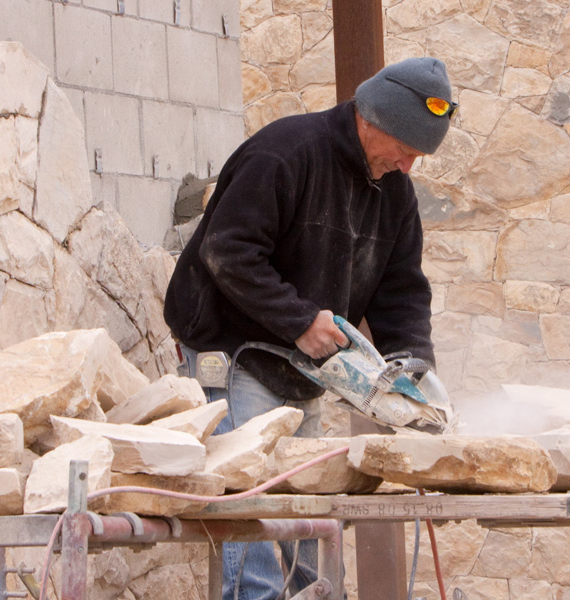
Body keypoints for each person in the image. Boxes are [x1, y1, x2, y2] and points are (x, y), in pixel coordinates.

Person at [164, 56, 454, 600]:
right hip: (236, 353)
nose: (409, 166)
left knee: (306, 519)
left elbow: (403, 290)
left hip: (303, 369)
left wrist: (413, 362)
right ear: (373, 120)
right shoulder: (286, 152)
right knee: (249, 500)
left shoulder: (394, 193)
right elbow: (228, 251)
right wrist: (300, 320)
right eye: (406, 150)